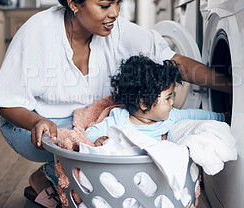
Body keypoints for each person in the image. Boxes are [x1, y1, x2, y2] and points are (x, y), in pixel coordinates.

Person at [0, 0, 231, 208]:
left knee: (125, 126)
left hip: (88, 122)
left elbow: (171, 60)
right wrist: (37, 122)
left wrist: (230, 84)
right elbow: (6, 105)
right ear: (74, 2)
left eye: (118, 3)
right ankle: (52, 171)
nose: (114, 13)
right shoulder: (38, 33)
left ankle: (49, 173)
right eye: (105, 5)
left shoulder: (118, 30)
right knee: (107, 134)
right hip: (30, 125)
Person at [85, 55, 229, 146]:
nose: (172, 102)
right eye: (168, 98)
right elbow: (90, 132)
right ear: (144, 103)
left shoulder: (170, 118)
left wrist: (222, 117)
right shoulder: (118, 118)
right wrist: (100, 139)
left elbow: (194, 115)